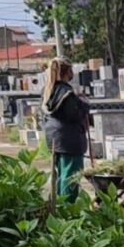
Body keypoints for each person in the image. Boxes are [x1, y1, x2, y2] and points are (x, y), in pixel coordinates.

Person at [42, 57, 90, 203]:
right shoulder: (65, 92)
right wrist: (84, 105)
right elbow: (73, 115)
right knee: (71, 177)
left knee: (62, 175)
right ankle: (67, 209)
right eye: (71, 70)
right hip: (69, 140)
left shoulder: (49, 90)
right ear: (66, 72)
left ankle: (58, 206)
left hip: (55, 139)